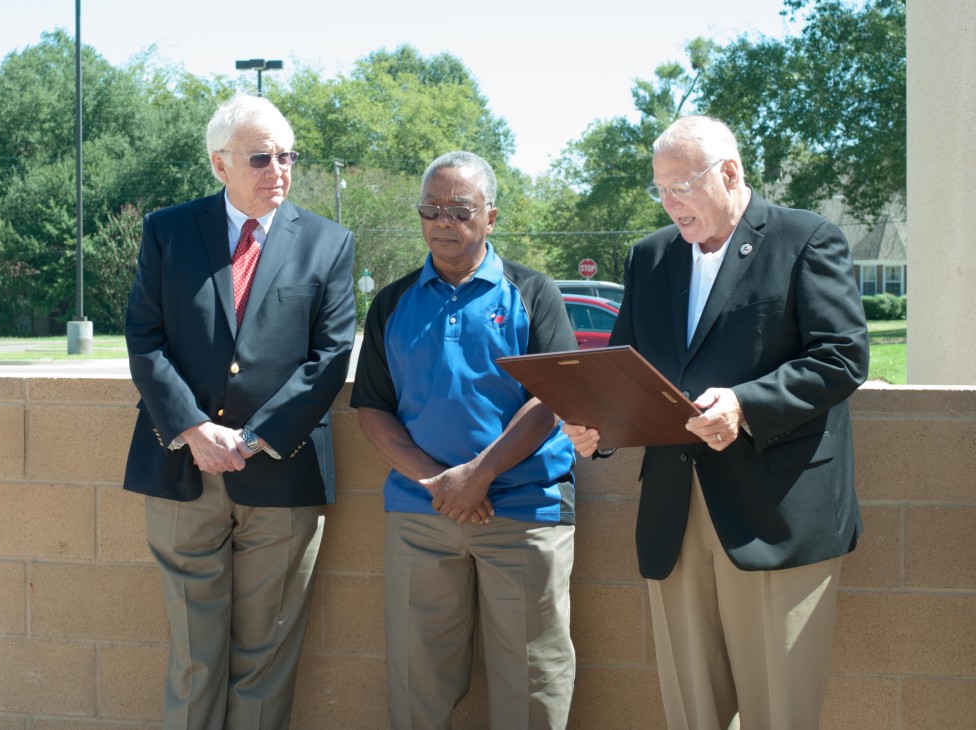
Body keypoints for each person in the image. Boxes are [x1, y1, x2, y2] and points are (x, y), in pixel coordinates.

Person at [563, 115, 869, 730]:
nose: (669, 203)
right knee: (692, 713)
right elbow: (626, 369)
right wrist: (596, 429)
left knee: (778, 712)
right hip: (676, 513)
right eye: (660, 189)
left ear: (729, 174)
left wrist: (745, 405)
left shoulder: (805, 239)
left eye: (680, 186)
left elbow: (842, 357)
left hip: (777, 511)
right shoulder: (650, 258)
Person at [123, 95, 356, 730]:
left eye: (287, 156)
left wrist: (251, 440)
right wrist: (196, 430)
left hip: (281, 475)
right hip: (182, 472)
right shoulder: (169, 231)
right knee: (196, 658)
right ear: (219, 164)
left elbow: (330, 358)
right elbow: (144, 340)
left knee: (265, 661)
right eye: (261, 157)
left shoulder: (329, 243)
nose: (278, 170)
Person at [350, 151, 579, 729]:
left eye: (460, 209)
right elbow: (373, 410)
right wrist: (437, 481)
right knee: (417, 678)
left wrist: (478, 475)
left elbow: (552, 397)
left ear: (491, 217)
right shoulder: (393, 303)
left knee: (532, 681)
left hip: (525, 509)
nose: (442, 221)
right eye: (431, 209)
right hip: (421, 513)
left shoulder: (534, 292)